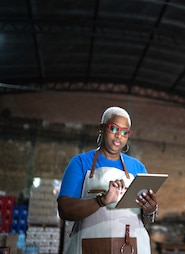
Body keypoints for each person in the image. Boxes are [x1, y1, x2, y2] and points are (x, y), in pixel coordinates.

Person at [57, 106, 158, 254]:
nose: (119, 136)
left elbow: (146, 221)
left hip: (132, 247)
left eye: (125, 132)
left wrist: (150, 210)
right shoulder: (80, 163)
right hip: (88, 246)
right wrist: (101, 200)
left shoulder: (138, 168)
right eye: (114, 128)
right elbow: (64, 210)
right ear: (102, 128)